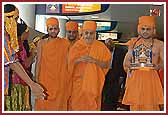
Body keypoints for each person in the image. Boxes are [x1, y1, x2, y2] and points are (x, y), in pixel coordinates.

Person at [4, 4, 45, 110]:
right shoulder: (7, 38)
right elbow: (12, 61)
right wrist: (32, 83)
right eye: (16, 19)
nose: (16, 23)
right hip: (16, 84)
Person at [122, 16, 164, 111]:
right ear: (139, 29)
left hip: (151, 80)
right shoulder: (133, 43)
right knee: (136, 106)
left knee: (151, 106)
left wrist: (157, 66)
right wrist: (133, 66)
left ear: (153, 30)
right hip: (136, 80)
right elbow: (126, 62)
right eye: (143, 29)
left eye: (148, 29)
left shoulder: (159, 44)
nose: (145, 31)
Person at [68, 21, 112, 111]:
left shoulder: (101, 47)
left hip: (93, 85)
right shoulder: (76, 46)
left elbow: (107, 65)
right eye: (86, 33)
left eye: (91, 33)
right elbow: (68, 66)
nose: (88, 35)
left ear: (95, 34)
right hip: (77, 86)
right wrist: (78, 60)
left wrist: (94, 61)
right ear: (82, 33)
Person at [34, 17, 70, 111]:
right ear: (47, 30)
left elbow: (68, 62)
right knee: (43, 104)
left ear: (59, 29)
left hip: (60, 81)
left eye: (55, 28)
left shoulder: (65, 43)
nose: (53, 31)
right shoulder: (41, 43)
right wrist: (36, 79)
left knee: (58, 105)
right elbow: (38, 62)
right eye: (51, 29)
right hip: (44, 80)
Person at [101, 38, 127, 111]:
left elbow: (123, 65)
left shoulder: (121, 52)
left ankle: (113, 108)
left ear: (113, 44)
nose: (108, 46)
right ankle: (107, 108)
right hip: (105, 74)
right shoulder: (103, 51)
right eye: (107, 45)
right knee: (106, 93)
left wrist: (122, 77)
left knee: (115, 93)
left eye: (109, 44)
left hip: (116, 75)